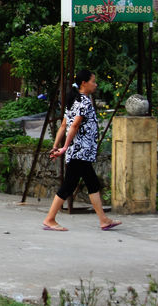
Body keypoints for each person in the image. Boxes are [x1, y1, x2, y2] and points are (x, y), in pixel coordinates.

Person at [42, 69, 121, 231]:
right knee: (69, 186)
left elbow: (64, 125)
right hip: (80, 152)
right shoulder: (84, 102)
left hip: (79, 152)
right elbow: (74, 126)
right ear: (84, 83)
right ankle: (50, 219)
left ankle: (103, 220)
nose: (95, 84)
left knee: (92, 183)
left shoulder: (73, 101)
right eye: (93, 81)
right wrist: (63, 147)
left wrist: (56, 146)